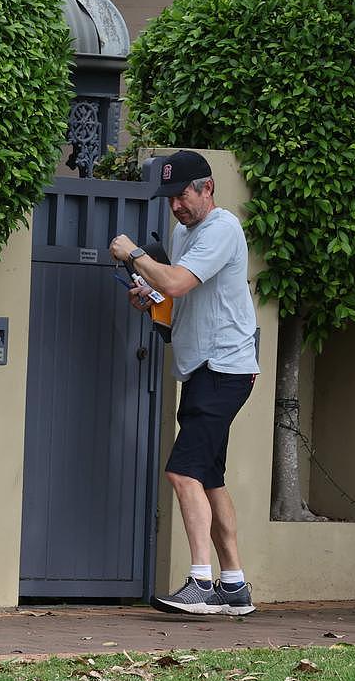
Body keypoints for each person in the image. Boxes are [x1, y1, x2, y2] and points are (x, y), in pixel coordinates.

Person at [109, 150, 259, 616]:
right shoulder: (184, 231)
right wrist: (149, 295)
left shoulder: (221, 229)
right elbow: (178, 292)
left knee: (182, 472)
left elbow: (176, 282)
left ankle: (200, 582)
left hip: (223, 368)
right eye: (170, 197)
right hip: (203, 368)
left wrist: (134, 255)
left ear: (207, 188)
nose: (175, 205)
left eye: (182, 195)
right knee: (210, 477)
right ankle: (233, 585)